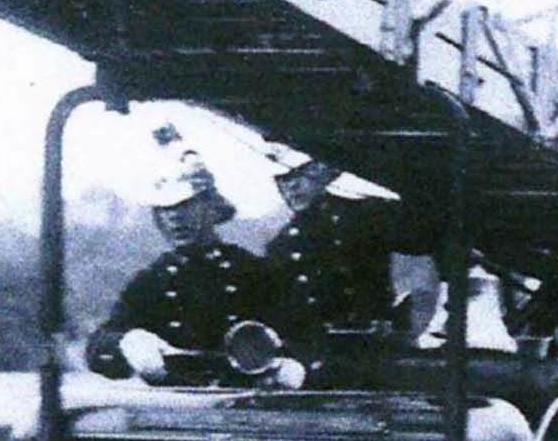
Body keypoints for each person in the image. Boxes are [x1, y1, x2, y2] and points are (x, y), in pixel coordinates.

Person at [86, 127, 283, 382]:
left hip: (252, 409)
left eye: (185, 205)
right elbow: (98, 347)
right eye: (165, 210)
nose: (175, 217)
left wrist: (291, 364)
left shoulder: (254, 274)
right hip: (178, 410)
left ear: (212, 207)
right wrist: (126, 343)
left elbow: (305, 335)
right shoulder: (153, 282)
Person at [260, 159, 437, 358]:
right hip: (314, 353)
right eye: (282, 179)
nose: (290, 186)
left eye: (300, 174)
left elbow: (422, 278)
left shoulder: (371, 215)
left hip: (372, 348)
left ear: (329, 172)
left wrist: (404, 332)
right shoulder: (283, 241)